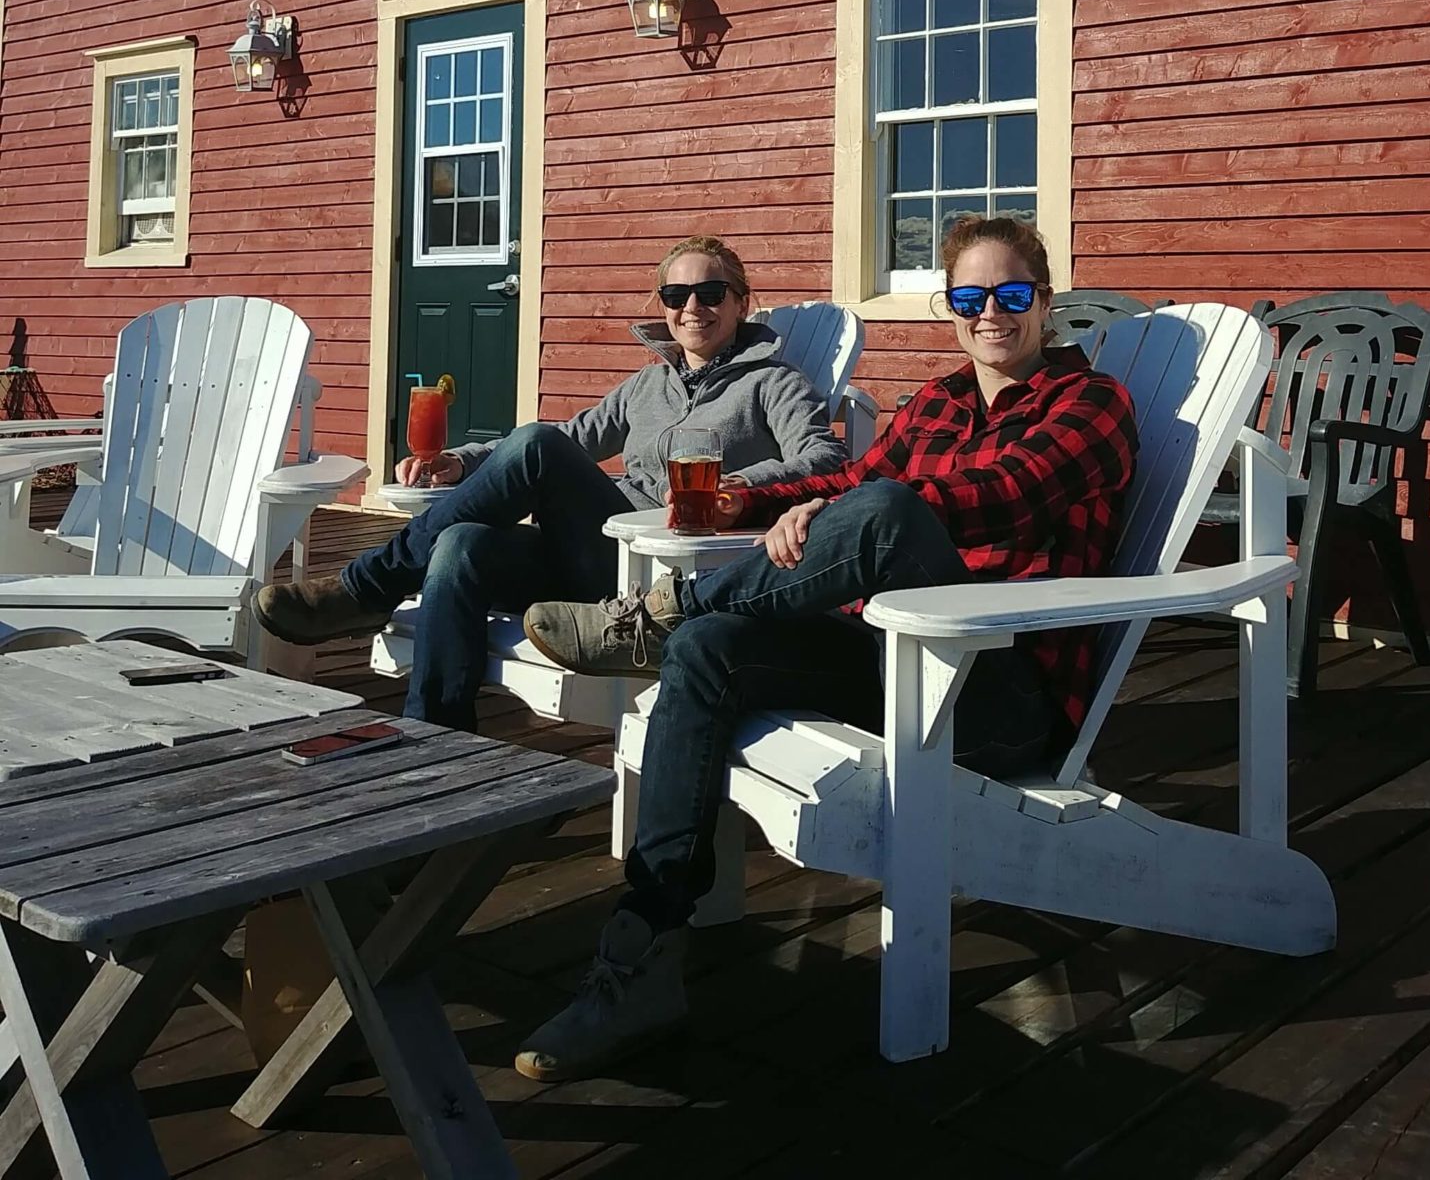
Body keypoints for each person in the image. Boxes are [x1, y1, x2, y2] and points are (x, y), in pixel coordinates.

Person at [515, 214, 1138, 1081]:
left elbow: (1003, 494)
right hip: (895, 665)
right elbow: (849, 477)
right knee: (711, 649)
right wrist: (745, 502)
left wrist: (862, 509)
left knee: (887, 511)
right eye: (969, 296)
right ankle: (643, 955)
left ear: (1046, 301)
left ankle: (654, 614)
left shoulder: (1092, 402)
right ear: (949, 307)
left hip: (1001, 697)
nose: (990, 313)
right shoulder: (940, 401)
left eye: (1012, 294)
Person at [252, 236, 845, 731]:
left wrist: (738, 483)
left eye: (711, 293)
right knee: (461, 547)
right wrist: (460, 461)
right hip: (589, 555)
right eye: (675, 294)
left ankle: (368, 588)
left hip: (665, 577)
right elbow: (572, 436)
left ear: (742, 303)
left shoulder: (774, 382)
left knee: (536, 444)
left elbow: (824, 459)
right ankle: (435, 741)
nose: (693, 306)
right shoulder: (648, 385)